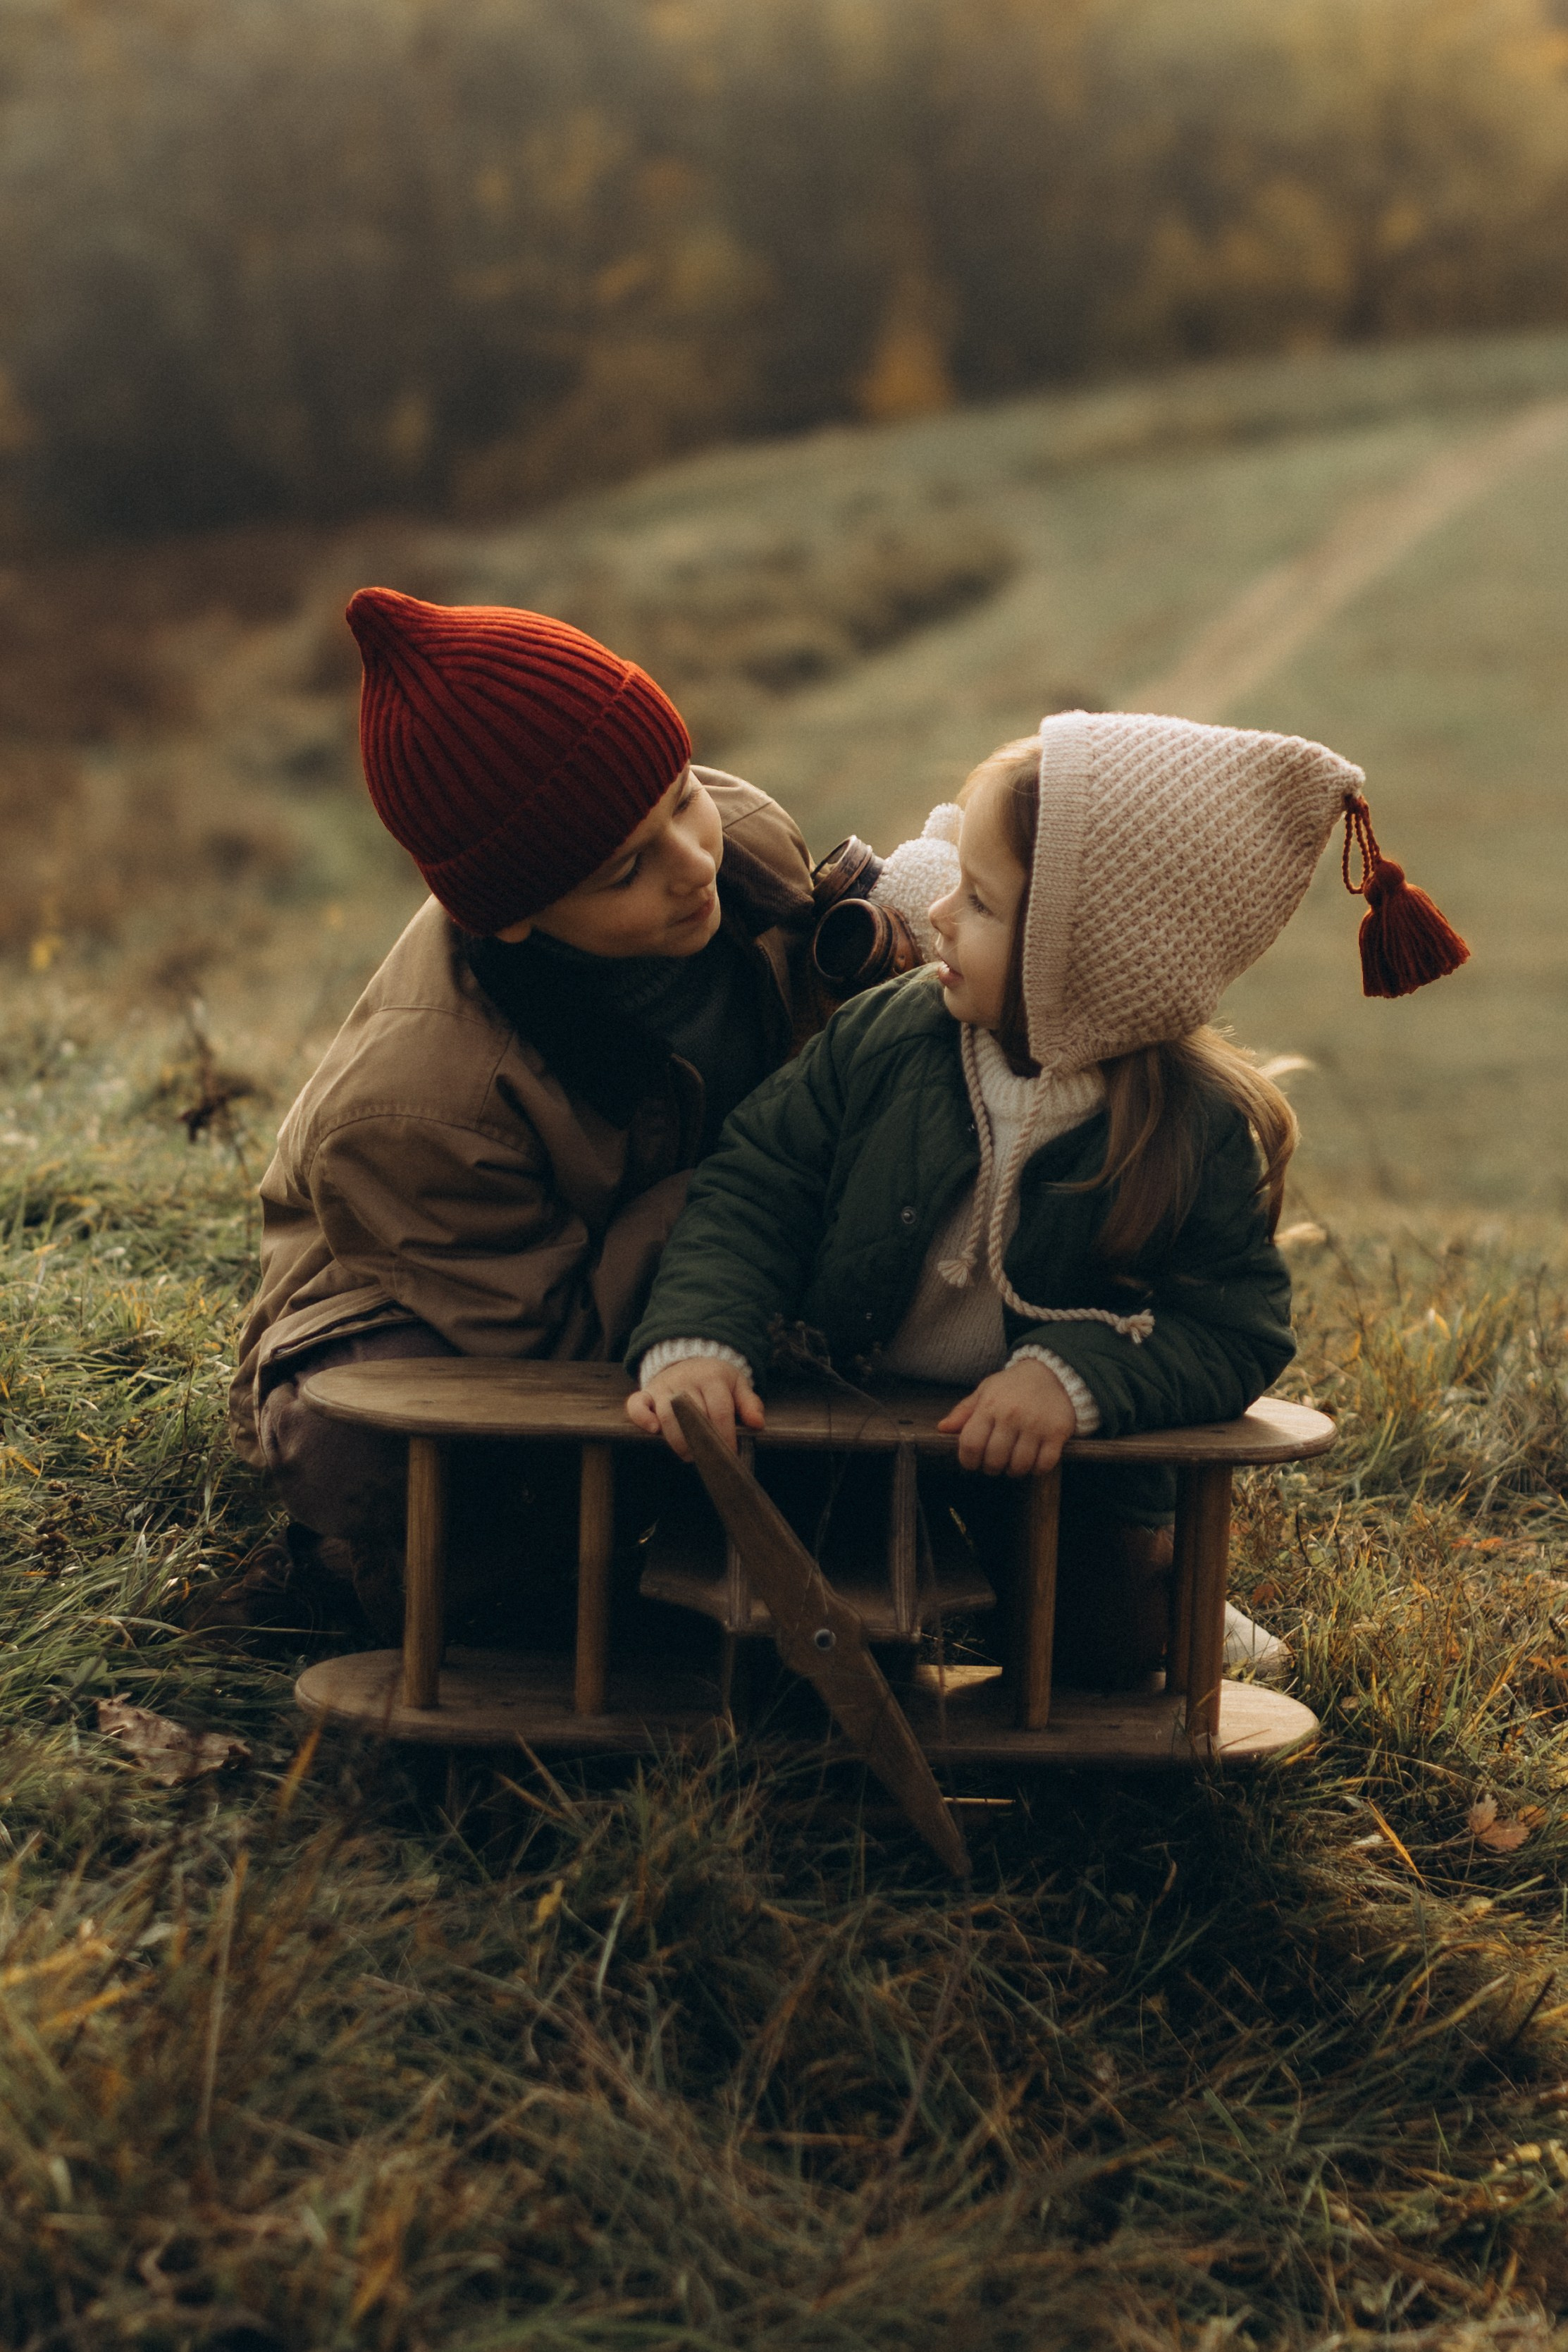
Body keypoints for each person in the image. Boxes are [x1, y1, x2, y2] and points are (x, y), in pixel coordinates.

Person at [626, 709, 1468, 1685]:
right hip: (848, 1414)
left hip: (1058, 1463)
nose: (936, 913)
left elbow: (1234, 1328)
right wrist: (700, 1337)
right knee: (805, 1646)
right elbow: (755, 1181)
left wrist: (1075, 1378)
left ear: (1092, 959)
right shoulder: (888, 1036)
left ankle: (1136, 1601)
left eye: (978, 902)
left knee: (1107, 1657)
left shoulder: (1185, 1128)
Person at [227, 587, 832, 1633]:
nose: (697, 865)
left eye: (682, 795)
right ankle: (370, 1579)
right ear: (512, 920)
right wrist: (762, 1183)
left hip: (684, 1233)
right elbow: (551, 1343)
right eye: (623, 870)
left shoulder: (737, 845)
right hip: (460, 1309)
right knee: (381, 1448)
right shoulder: (421, 1105)